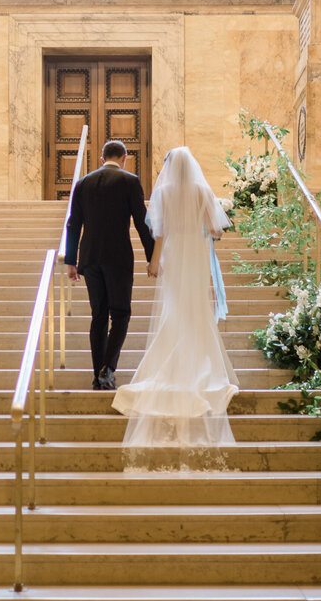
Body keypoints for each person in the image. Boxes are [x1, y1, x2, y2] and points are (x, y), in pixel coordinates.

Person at [112, 146, 239, 471]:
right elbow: (215, 229)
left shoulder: (164, 192)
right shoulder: (201, 190)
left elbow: (160, 233)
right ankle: (197, 363)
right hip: (195, 258)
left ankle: (170, 365)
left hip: (174, 257)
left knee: (174, 312)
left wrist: (154, 263)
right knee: (195, 311)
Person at [64, 140, 155, 390]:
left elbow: (73, 223)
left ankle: (98, 374)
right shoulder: (130, 181)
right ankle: (108, 369)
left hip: (90, 258)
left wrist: (71, 260)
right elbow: (141, 222)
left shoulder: (83, 182)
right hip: (118, 258)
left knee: (99, 316)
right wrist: (152, 257)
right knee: (121, 314)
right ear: (124, 157)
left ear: (102, 159)